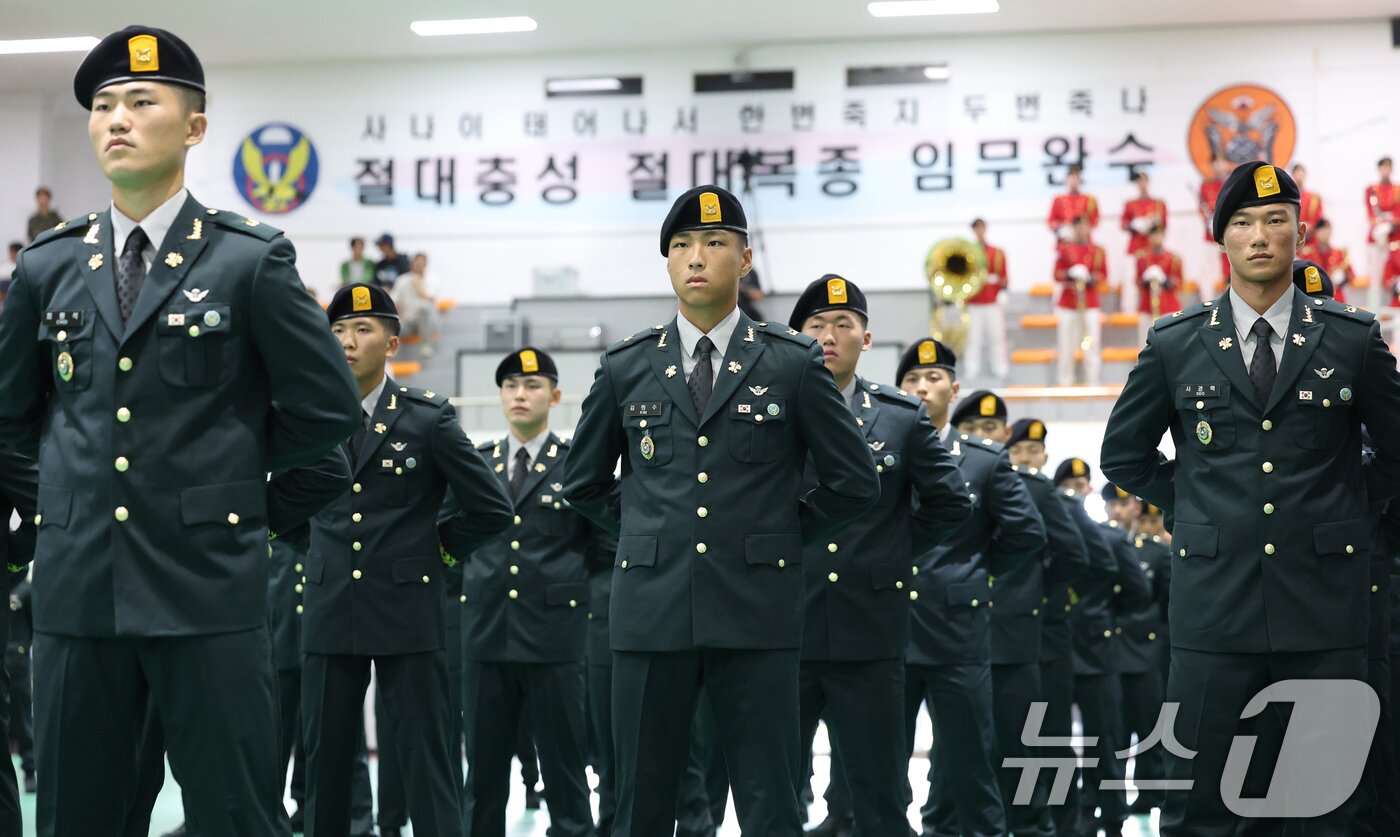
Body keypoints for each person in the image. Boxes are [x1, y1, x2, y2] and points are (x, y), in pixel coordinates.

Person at [0, 26, 362, 835]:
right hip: (80, 598)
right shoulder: (48, 266)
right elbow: (9, 419)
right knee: (77, 816)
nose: (117, 119)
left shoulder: (247, 260)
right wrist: (61, 504)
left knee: (234, 813)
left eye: (140, 101)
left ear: (194, 127)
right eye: (103, 106)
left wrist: (228, 494)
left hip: (207, 593)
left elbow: (328, 409)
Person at [562, 184, 880, 837]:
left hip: (757, 613)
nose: (697, 257)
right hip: (651, 615)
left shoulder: (791, 361)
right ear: (668, 262)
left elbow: (854, 481)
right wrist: (649, 532)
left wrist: (781, 535)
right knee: (641, 805)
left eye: (714, 242)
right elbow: (583, 483)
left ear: (745, 257)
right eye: (681, 245)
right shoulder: (626, 365)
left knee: (771, 805)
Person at [1102, 161, 1400, 835]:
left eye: (1274, 219)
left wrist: (1343, 503)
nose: (1260, 235)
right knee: (1202, 806)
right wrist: (1197, 505)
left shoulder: (1351, 337)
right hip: (1214, 610)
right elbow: (1122, 453)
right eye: (1242, 223)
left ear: (1300, 233)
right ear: (1222, 239)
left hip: (1324, 611)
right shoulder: (1176, 342)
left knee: (1327, 808)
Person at [300, 282, 513, 836]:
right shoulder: (309, 416)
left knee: (427, 757)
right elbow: (289, 505)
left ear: (392, 343)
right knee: (324, 763)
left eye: (362, 329)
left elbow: (492, 508)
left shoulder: (426, 418)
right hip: (328, 607)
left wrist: (439, 549)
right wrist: (318, 553)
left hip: (407, 610)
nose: (348, 341)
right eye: (338, 330)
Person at [788, 276, 971, 837]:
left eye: (843, 324)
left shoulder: (899, 417)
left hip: (870, 632)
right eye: (816, 325)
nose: (829, 335)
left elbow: (951, 503)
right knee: (774, 792)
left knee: (881, 796)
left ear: (865, 339)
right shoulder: (769, 412)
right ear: (798, 337)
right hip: (783, 626)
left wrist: (893, 552)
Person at [458, 346, 614, 837]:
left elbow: (604, 546)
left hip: (555, 640)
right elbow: (451, 537)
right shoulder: (477, 464)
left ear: (555, 396)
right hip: (486, 636)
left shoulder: (575, 465)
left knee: (565, 768)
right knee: (483, 774)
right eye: (510, 386)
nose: (519, 395)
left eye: (532, 386)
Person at [897, 340, 1047, 837]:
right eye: (912, 380)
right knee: (882, 764)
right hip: (888, 624)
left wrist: (975, 570)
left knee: (969, 760)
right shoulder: (878, 449)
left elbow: (1026, 532)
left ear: (953, 388)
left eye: (933, 378)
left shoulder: (982, 460)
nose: (922, 387)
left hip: (955, 630)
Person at [927, 394, 1087, 837]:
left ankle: (1038, 826)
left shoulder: (1034, 488)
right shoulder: (935, 478)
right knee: (955, 747)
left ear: (1005, 434)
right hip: (953, 631)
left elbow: (1073, 556)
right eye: (972, 428)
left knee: (1022, 743)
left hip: (1011, 637)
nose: (983, 436)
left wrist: (1033, 594)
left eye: (992, 428)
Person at [1122, 501, 1172, 815]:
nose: (1149, 528)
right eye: (1144, 522)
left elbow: (1167, 606)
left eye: (1155, 522)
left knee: (1150, 722)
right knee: (1118, 725)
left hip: (1151, 650)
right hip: (1118, 647)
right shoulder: (1120, 547)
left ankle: (1152, 788)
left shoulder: (1159, 554)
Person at [1052, 215, 1106, 386]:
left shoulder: (1097, 251)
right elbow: (1056, 274)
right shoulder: (1065, 249)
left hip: (1089, 302)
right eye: (1079, 226)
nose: (1082, 230)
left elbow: (1103, 274)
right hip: (1069, 303)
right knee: (1066, 343)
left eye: (1085, 226)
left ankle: (1092, 380)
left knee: (1091, 343)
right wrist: (1069, 273)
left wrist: (1090, 278)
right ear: (1074, 228)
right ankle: (1065, 380)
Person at [964, 218, 1011, 382]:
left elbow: (1003, 274)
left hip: (992, 300)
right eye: (976, 229)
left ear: (985, 229)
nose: (979, 231)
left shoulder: (997, 252)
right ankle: (972, 368)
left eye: (981, 228)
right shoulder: (968, 252)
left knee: (996, 336)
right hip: (974, 301)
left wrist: (1003, 291)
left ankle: (1000, 368)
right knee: (973, 337)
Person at [1121, 171, 1167, 311]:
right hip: (1135, 248)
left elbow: (1164, 225)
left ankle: (1156, 310)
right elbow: (1123, 224)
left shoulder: (1158, 204)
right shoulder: (1130, 204)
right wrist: (1134, 225)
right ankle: (1128, 313)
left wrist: (1153, 223)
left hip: (1151, 249)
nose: (1141, 184)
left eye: (1143, 180)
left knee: (1154, 281)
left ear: (1148, 182)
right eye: (1139, 181)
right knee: (1131, 283)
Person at [6, 572, 33, 795]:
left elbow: (35, 627)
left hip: (18, 662)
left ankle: (30, 770)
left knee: (23, 719)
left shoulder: (25, 591)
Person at [1136, 225, 1185, 342]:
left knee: (1170, 343)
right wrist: (1145, 279)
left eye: (1159, 234)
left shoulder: (1173, 259)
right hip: (1147, 307)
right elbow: (1138, 282)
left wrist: (1165, 280)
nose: (1156, 238)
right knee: (1145, 342)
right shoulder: (1142, 258)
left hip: (1168, 307)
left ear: (1163, 236)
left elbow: (1179, 283)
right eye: (1153, 235)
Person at [1365, 157, 1400, 313]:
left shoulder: (1397, 190)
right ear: (1379, 169)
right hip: (1377, 237)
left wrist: (1391, 224)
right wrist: (1379, 225)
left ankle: (1393, 309)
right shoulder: (1372, 189)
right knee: (1375, 276)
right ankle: (1374, 311)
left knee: (1393, 276)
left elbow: (1398, 212)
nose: (1386, 170)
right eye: (1383, 167)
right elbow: (1371, 212)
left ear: (1391, 169)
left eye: (1388, 167)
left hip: (1394, 238)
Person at [1199, 155, 1232, 297]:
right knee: (1207, 274)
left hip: (1228, 237)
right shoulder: (1205, 186)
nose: (1218, 166)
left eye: (1221, 161)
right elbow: (1202, 208)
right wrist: (1208, 222)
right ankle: (1207, 305)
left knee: (1230, 272)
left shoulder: (1232, 184)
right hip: (1210, 238)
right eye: (1215, 163)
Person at [1298, 219, 1352, 304]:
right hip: (1313, 298)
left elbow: (1350, 275)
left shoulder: (1339, 253)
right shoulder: (1307, 254)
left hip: (1336, 299)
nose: (1326, 234)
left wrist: (1342, 278)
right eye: (1323, 231)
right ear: (1316, 232)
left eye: (1328, 230)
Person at [391, 252, 437, 350]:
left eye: (421, 264)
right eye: (416, 264)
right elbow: (393, 301)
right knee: (390, 326)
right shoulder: (402, 280)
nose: (418, 267)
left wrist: (418, 286)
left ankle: (426, 346)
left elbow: (430, 299)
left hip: (427, 322)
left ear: (425, 265)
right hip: (408, 321)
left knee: (424, 308)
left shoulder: (432, 280)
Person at [1047, 163, 1099, 244]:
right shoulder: (1058, 200)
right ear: (1066, 181)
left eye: (1075, 179)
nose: (1073, 182)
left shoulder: (1090, 200)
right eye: (1070, 179)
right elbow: (1051, 221)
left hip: (1084, 241)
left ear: (1080, 181)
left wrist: (1083, 228)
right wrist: (1063, 227)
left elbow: (1094, 220)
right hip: (1065, 241)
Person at [1292, 163, 1325, 241]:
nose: (1299, 176)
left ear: (1305, 175)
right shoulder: (1289, 197)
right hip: (1292, 236)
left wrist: (1310, 226)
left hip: (1310, 238)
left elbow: (1319, 218)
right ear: (1293, 175)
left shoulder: (1314, 198)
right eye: (1297, 173)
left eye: (1301, 174)